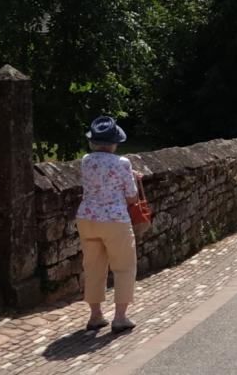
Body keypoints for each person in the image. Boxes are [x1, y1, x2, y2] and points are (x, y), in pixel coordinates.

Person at [77, 116, 142, 334]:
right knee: (124, 266)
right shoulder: (122, 163)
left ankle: (95, 316)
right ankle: (120, 318)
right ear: (114, 142)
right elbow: (132, 197)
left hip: (87, 218)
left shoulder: (86, 160)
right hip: (114, 220)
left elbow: (98, 179)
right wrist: (133, 179)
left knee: (93, 266)